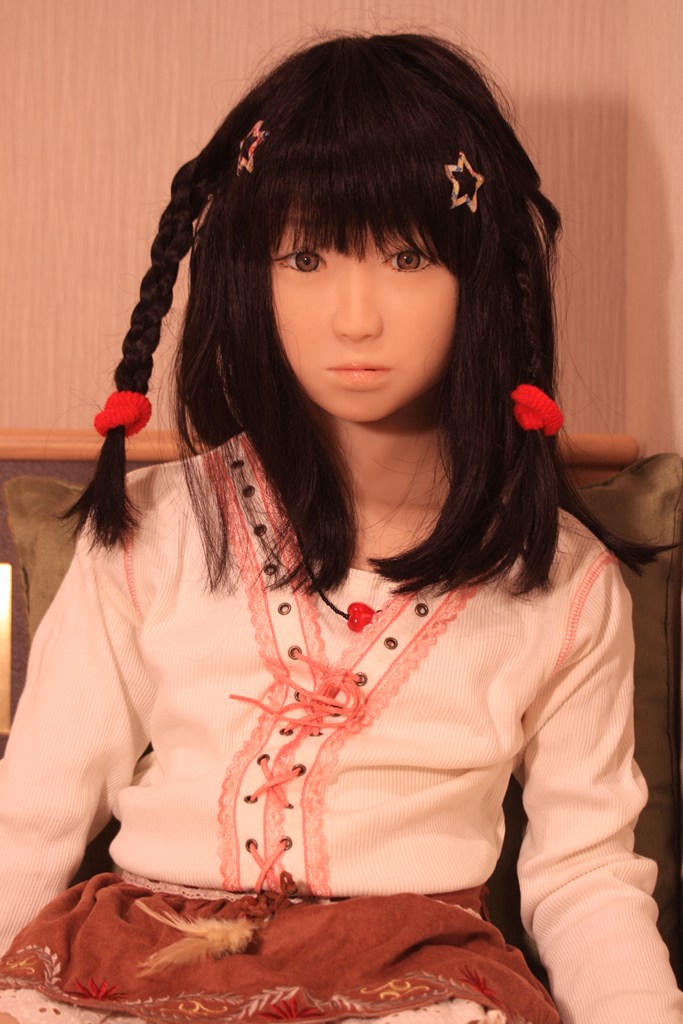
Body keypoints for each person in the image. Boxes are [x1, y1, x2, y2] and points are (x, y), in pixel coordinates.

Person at [0, 31, 680, 1024]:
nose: (354, 317)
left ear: (482, 279)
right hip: (132, 967)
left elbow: (584, 878)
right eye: (306, 256)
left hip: (413, 982)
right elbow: (31, 814)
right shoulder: (153, 528)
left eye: (406, 256)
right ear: (252, 274)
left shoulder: (561, 582)